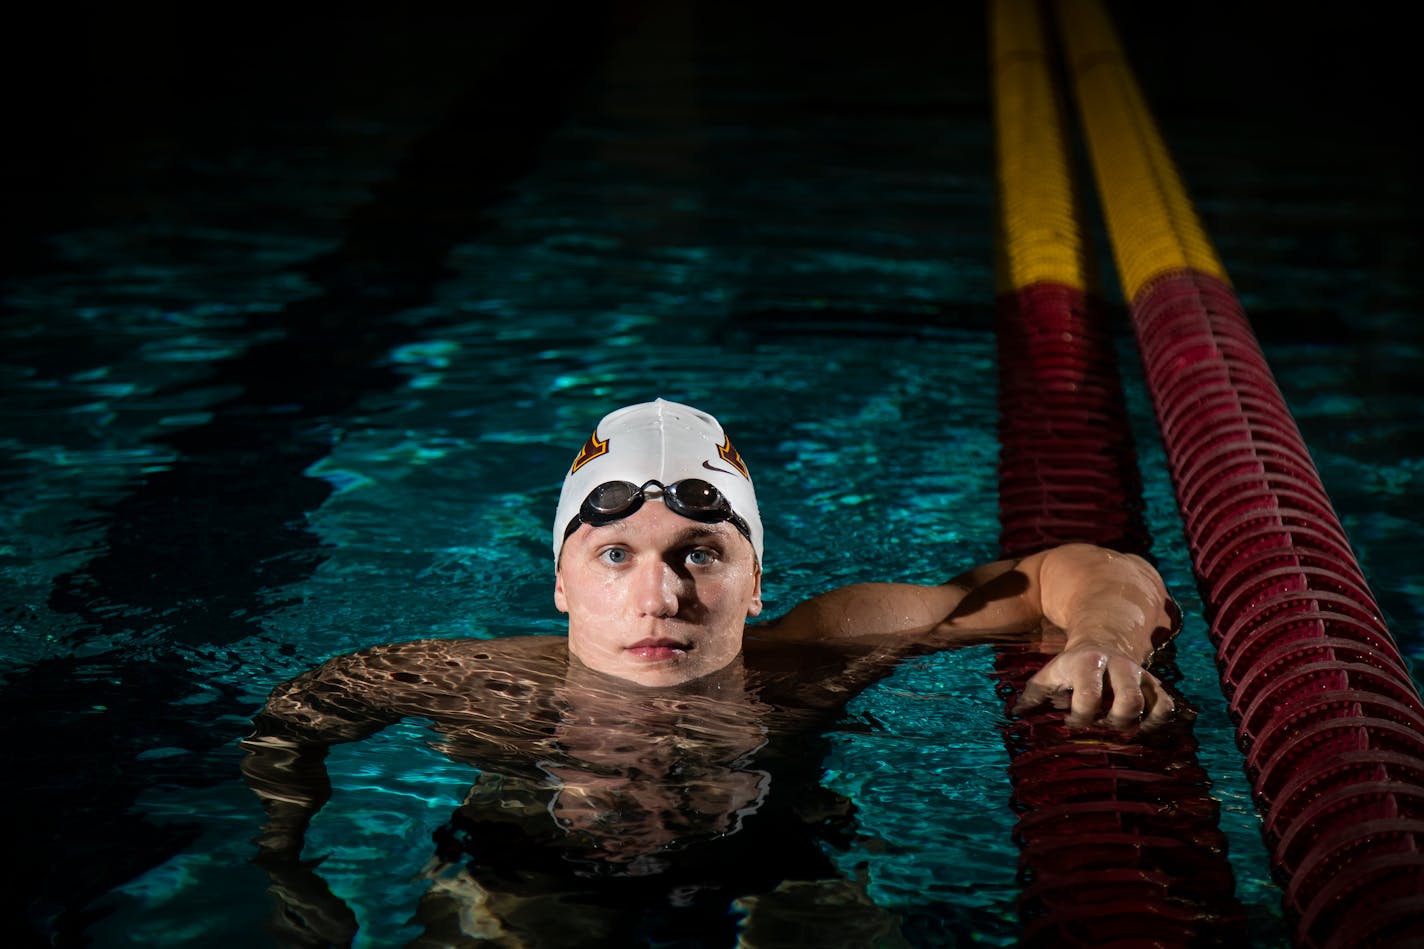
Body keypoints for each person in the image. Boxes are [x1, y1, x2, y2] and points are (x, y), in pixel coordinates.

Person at [240, 398, 1179, 948]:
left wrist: (1107, 638)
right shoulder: (453, 679)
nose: (660, 598)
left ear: (756, 580)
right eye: (615, 556)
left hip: (780, 861)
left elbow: (1091, 567)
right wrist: (288, 866)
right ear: (559, 582)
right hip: (522, 865)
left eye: (700, 553)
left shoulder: (821, 654)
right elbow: (297, 713)